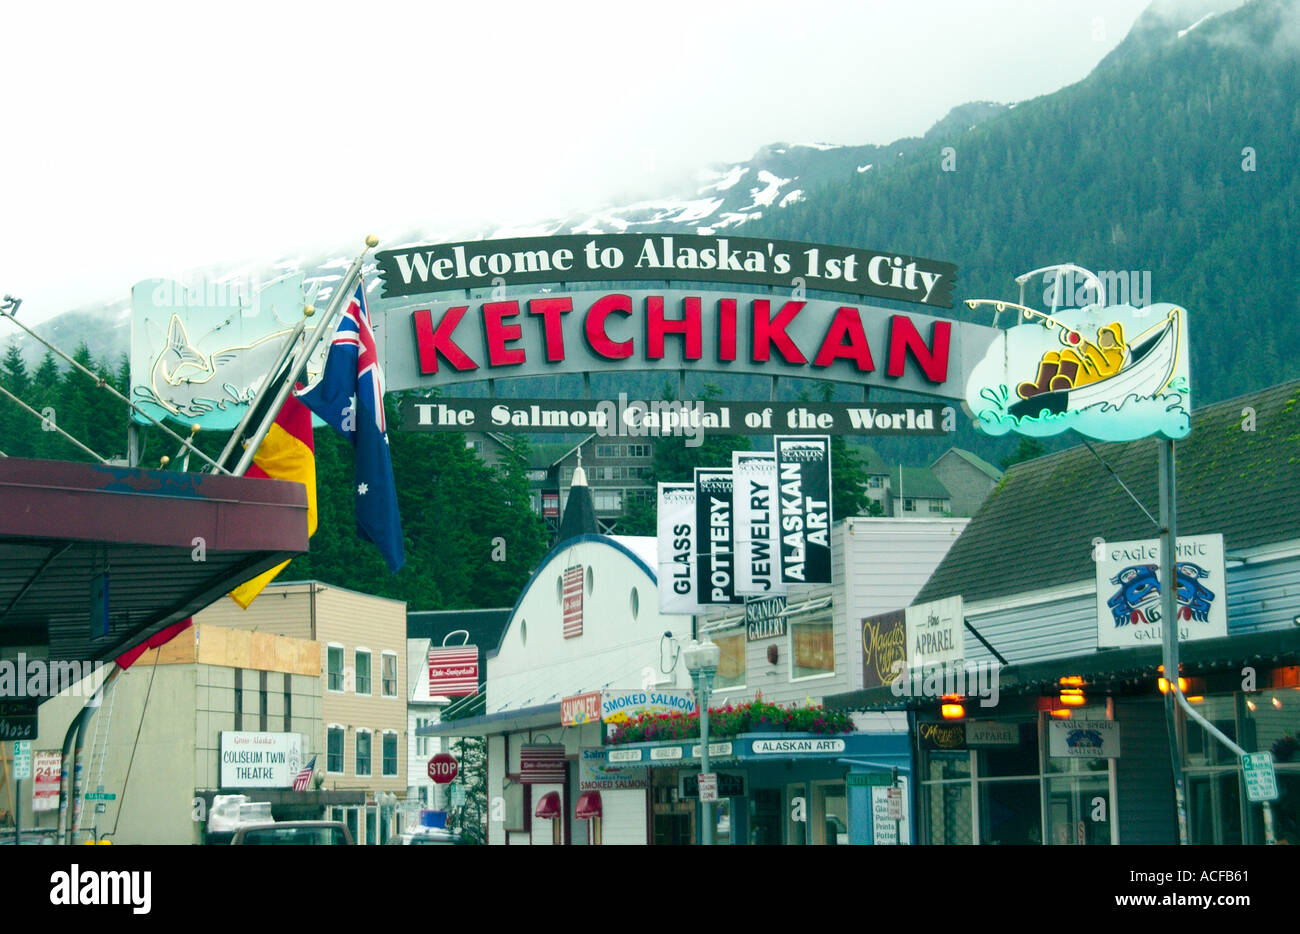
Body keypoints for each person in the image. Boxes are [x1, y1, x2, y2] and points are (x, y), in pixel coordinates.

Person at [1017, 322, 1126, 399]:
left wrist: (1089, 349)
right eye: (1102, 335)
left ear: (1116, 339)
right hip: (1088, 375)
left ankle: (1064, 383)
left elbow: (1106, 370)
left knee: (1068, 353)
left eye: (1107, 335)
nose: (1102, 338)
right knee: (1052, 355)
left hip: (1091, 382)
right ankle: (1041, 388)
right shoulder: (1103, 353)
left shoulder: (1117, 355)